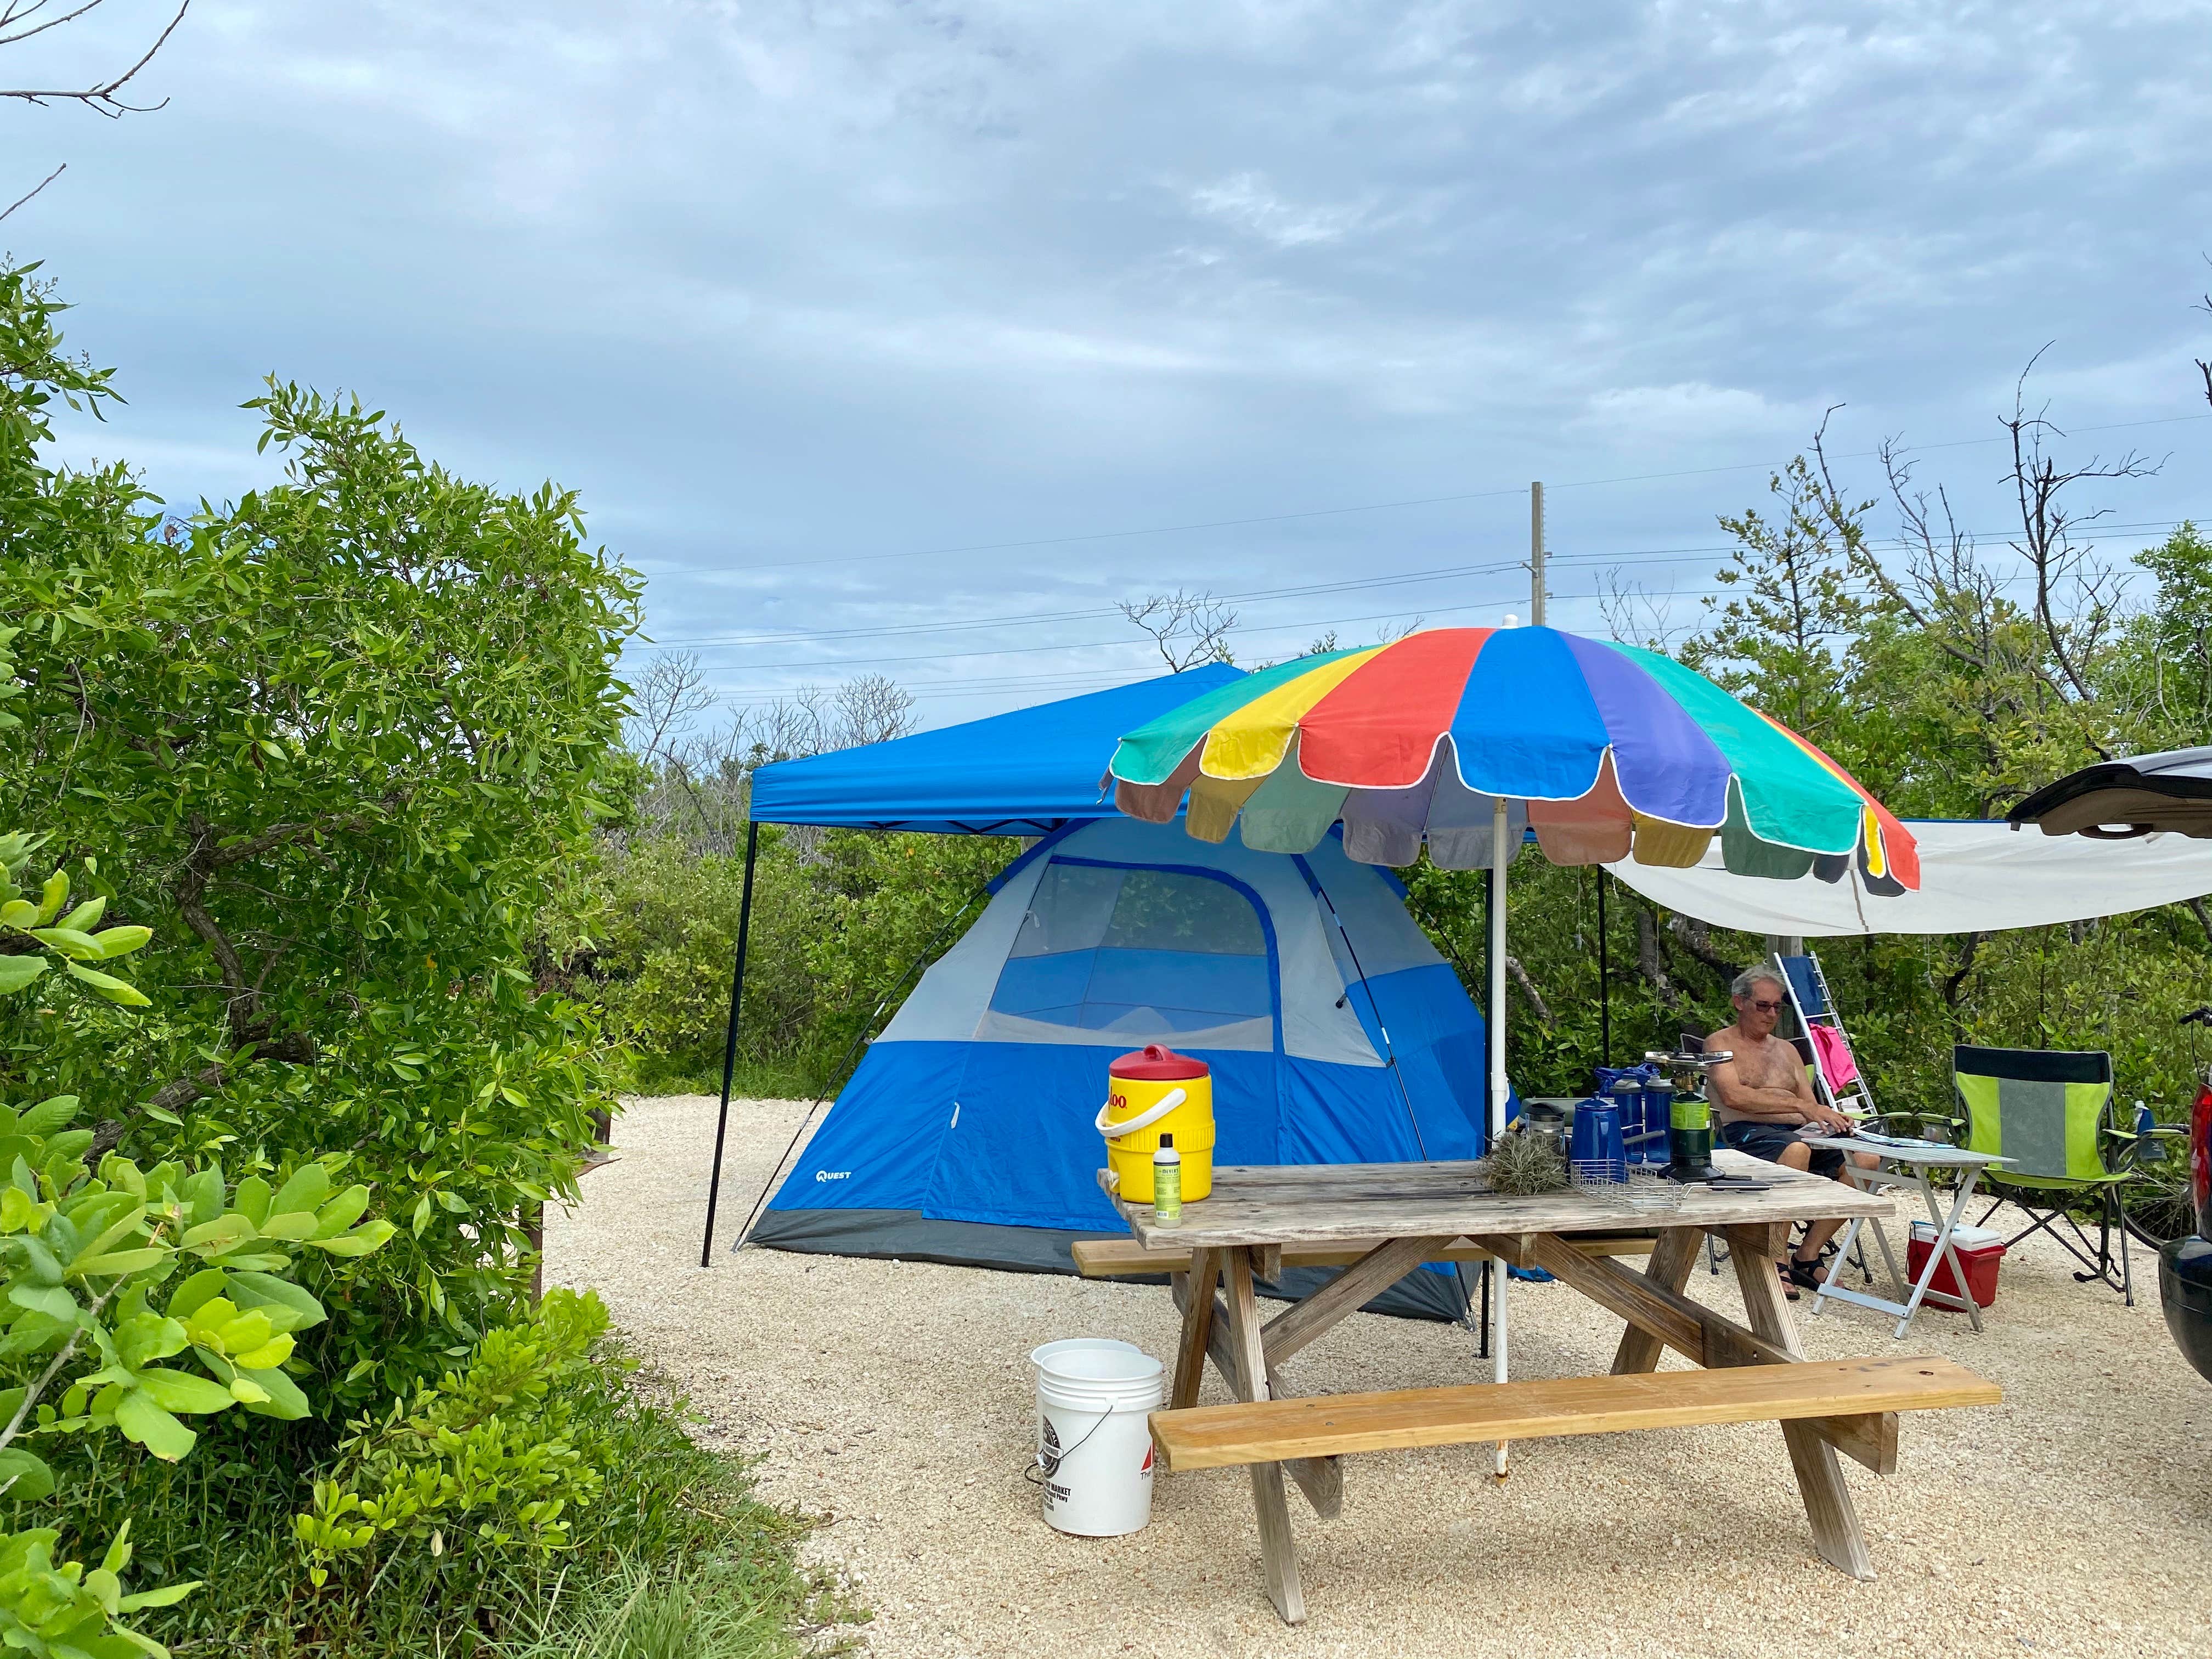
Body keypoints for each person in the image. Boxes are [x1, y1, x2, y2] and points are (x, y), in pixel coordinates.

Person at [1706, 966, 1878, 1295]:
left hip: (1793, 1133)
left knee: (1867, 1159)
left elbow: (1808, 1105)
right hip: (1741, 1135)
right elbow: (1734, 1097)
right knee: (1797, 1150)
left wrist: (1832, 1121)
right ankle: (1775, 1257)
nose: (1771, 1014)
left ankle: (1807, 1255)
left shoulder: (1786, 1050)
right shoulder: (1720, 1043)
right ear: (1739, 1003)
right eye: (1763, 1005)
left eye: (1777, 1007)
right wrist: (1798, 1108)